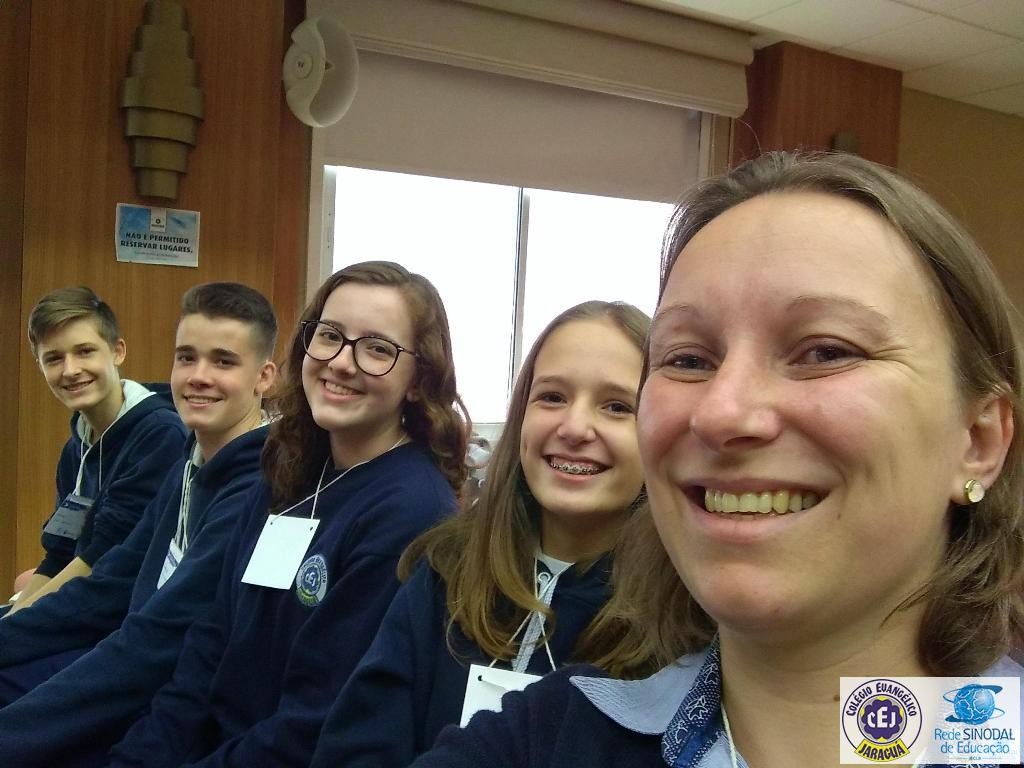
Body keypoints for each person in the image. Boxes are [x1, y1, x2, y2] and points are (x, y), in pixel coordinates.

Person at [409, 151, 1024, 768]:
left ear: (977, 442)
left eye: (826, 351)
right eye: (688, 359)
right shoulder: (540, 740)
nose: (722, 412)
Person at [106, 261, 468, 767]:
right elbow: (209, 644)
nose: (341, 363)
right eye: (330, 336)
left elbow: (311, 725)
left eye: (377, 349)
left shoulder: (411, 511)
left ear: (418, 380)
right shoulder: (289, 468)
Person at [310, 300, 652, 767]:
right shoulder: (445, 568)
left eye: (617, 407)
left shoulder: (683, 617)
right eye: (552, 397)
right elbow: (355, 744)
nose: (574, 428)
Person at [0, 282, 278, 765]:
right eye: (186, 358)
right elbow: (110, 582)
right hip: (133, 664)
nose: (199, 376)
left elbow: (158, 641)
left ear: (264, 377)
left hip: (179, 710)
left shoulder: (261, 488)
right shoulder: (189, 462)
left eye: (223, 361)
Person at [6, 287, 186, 617]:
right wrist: (15, 616)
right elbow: (60, 552)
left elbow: (101, 557)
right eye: (54, 358)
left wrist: (19, 624)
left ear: (118, 352)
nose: (70, 369)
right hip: (82, 601)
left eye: (85, 351)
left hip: (124, 613)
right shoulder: (76, 448)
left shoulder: (161, 435)